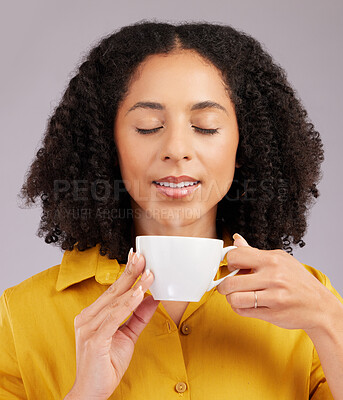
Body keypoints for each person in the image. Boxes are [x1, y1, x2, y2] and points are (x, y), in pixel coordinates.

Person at [1, 20, 342, 400]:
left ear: (245, 145)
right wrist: (84, 393)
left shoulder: (312, 301)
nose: (176, 148)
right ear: (107, 145)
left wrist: (331, 324)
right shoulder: (20, 315)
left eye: (206, 126)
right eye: (148, 127)